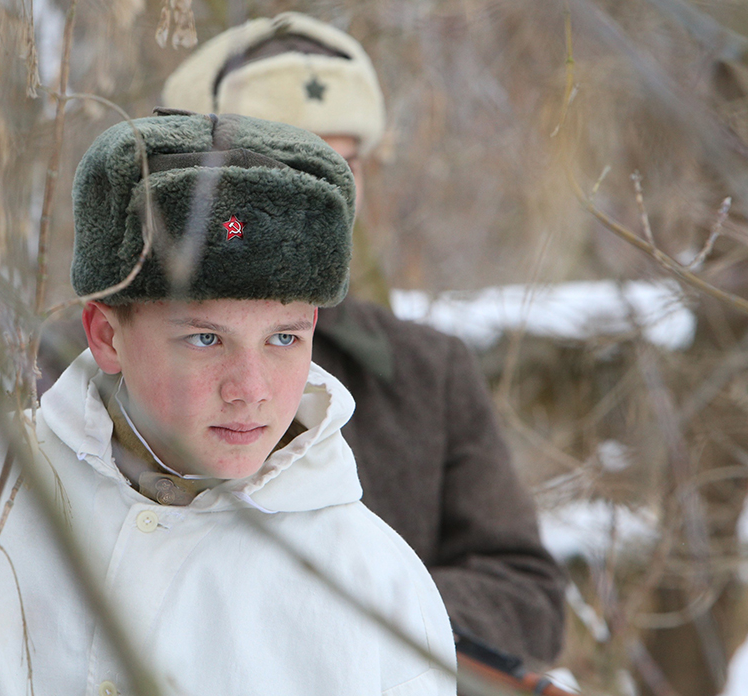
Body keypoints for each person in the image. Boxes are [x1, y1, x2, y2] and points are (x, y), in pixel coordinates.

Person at [0, 113, 457, 695]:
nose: (252, 386)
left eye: (282, 338)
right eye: (206, 338)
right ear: (106, 333)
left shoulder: (371, 578)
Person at [161, 12, 566, 665]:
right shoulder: (90, 360)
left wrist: (360, 623)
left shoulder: (428, 369)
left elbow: (527, 593)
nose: (325, 195)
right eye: (290, 160)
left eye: (343, 163)